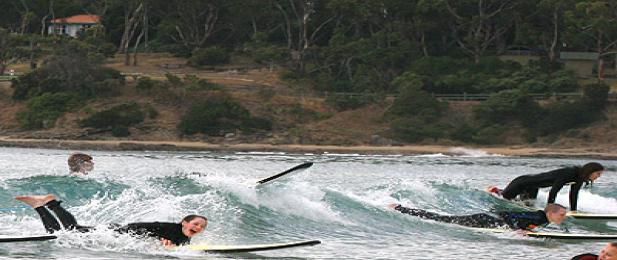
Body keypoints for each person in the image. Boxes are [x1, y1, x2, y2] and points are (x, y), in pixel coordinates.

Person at [16, 194, 207, 247]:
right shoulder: (175, 231)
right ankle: (46, 204)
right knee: (68, 231)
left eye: (201, 227)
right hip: (114, 233)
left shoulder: (180, 235)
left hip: (115, 233)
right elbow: (143, 229)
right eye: (196, 223)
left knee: (67, 233)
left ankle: (44, 205)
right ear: (184, 222)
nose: (198, 227)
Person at [486, 162, 604, 211]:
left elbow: (573, 194)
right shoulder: (569, 172)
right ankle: (495, 190)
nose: (598, 176)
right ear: (590, 171)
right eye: (598, 174)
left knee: (527, 207)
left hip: (533, 187)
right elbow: (554, 190)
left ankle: (500, 190)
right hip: (522, 182)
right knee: (504, 199)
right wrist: (550, 209)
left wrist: (574, 211)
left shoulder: (579, 177)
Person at [387, 203, 567, 231]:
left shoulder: (541, 220)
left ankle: (400, 207)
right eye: (561, 214)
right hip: (485, 219)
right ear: (550, 213)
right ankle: (400, 208)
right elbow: (511, 215)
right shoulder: (538, 216)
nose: (563, 217)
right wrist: (516, 230)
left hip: (489, 219)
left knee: (444, 218)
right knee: (442, 219)